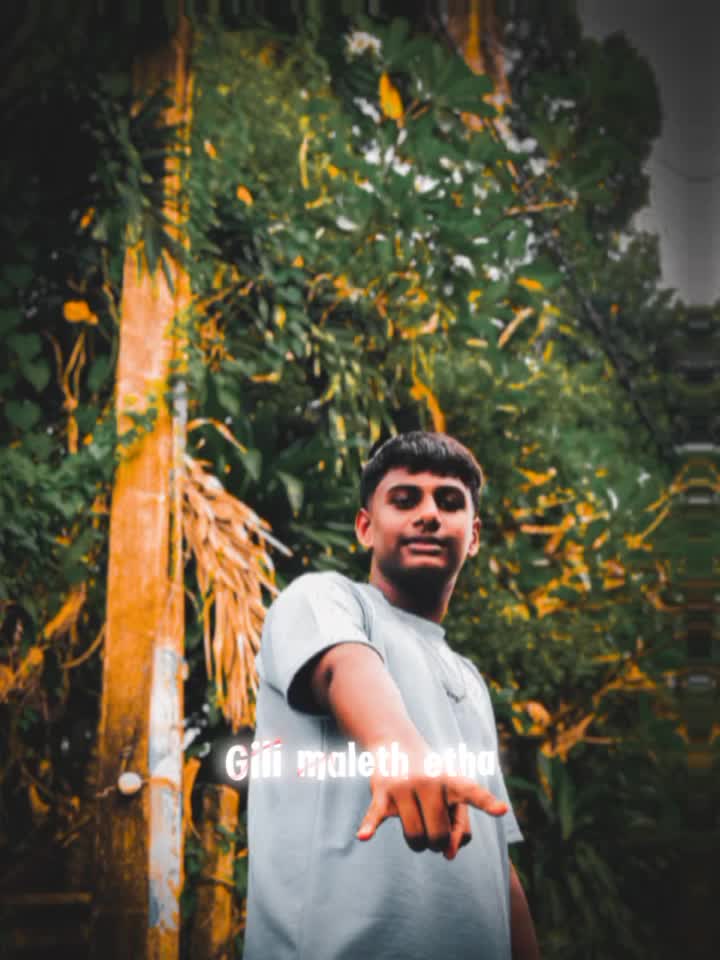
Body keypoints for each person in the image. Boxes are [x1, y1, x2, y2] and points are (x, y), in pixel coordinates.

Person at [243, 431, 540, 959]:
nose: (428, 515)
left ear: (473, 536)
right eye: (404, 500)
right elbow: (342, 667)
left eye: (448, 502)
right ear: (365, 527)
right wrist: (399, 748)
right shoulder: (323, 598)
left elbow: (497, 863)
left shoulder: (470, 679)